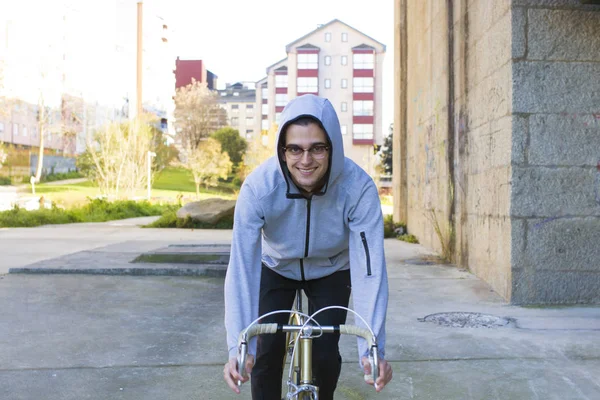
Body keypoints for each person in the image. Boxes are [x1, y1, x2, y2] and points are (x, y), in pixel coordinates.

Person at [223, 94, 392, 399]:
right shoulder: (259, 188)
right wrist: (240, 346)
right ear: (282, 150)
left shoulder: (358, 189)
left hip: (331, 269)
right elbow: (241, 268)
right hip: (276, 266)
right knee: (265, 353)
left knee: (325, 353)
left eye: (317, 148)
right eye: (295, 149)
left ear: (333, 148)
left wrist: (373, 348)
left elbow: (370, 270)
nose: (305, 160)